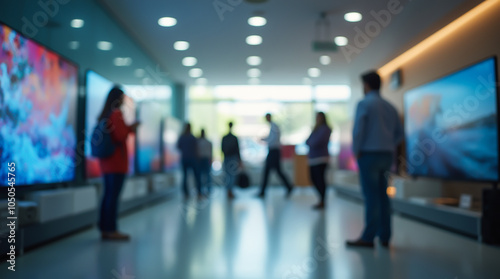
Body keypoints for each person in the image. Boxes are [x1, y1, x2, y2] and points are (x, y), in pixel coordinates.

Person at [346, 71, 404, 248]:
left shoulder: (364, 104)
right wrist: (388, 145)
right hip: (386, 156)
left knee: (371, 197)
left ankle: (369, 237)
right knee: (383, 196)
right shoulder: (390, 106)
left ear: (367, 85)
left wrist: (356, 152)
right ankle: (385, 236)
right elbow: (399, 135)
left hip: (368, 155)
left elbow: (358, 131)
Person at [98, 86, 140, 241]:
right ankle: (111, 229)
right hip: (116, 163)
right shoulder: (116, 114)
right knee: (113, 197)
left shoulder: (106, 114)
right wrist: (131, 128)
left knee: (108, 195)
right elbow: (120, 135)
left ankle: (105, 228)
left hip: (107, 163)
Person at [257, 113, 293, 198]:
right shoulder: (272, 126)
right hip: (273, 151)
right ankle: (288, 186)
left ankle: (288, 186)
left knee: (270, 171)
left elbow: (272, 139)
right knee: (274, 171)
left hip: (274, 152)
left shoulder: (274, 126)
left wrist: (263, 139)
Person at [306, 112, 332, 210]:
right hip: (312, 158)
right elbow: (308, 141)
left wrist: (311, 142)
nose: (317, 119)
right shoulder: (316, 129)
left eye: (319, 117)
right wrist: (311, 142)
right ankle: (321, 199)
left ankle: (322, 200)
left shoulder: (326, 129)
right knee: (313, 179)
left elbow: (315, 142)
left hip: (321, 158)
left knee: (320, 180)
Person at [177, 123, 202, 198]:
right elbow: (197, 149)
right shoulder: (193, 138)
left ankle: (186, 193)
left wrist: (185, 150)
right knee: (196, 176)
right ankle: (199, 193)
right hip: (192, 159)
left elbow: (178, 146)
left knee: (185, 176)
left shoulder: (182, 137)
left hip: (185, 159)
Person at [221, 122, 241, 199]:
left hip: (227, 157)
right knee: (232, 175)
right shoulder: (234, 138)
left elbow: (222, 149)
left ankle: (229, 190)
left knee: (227, 174)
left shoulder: (225, 137)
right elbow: (237, 149)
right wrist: (239, 160)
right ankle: (230, 190)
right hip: (233, 158)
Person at [198, 129, 213, 195]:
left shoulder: (198, 142)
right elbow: (210, 153)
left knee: (202, 175)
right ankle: (208, 189)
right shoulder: (208, 142)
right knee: (207, 175)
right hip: (205, 159)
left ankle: (202, 189)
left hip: (201, 160)